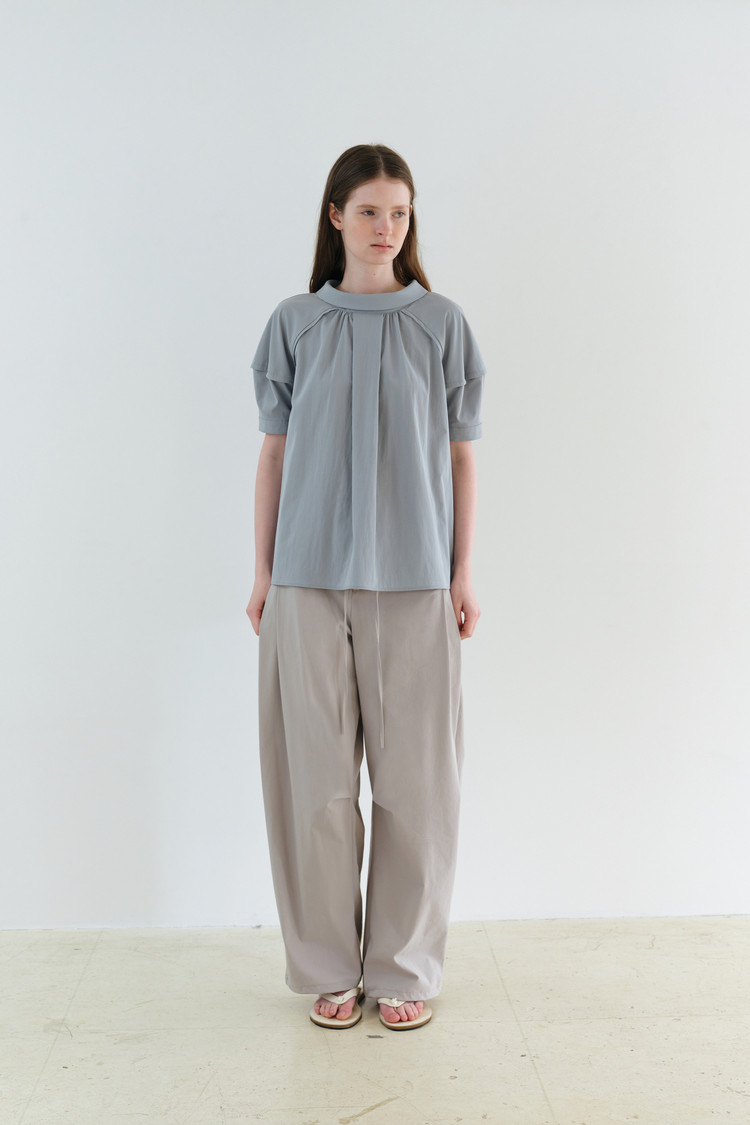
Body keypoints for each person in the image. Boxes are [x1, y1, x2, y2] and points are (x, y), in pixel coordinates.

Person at [246, 143, 486, 1031]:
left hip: (415, 583)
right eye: (371, 211)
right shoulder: (296, 323)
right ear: (336, 216)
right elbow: (274, 453)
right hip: (306, 581)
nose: (387, 228)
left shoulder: (442, 324)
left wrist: (462, 572)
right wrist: (263, 572)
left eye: (401, 212)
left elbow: (462, 458)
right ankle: (328, 967)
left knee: (417, 786)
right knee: (312, 787)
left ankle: (404, 967)